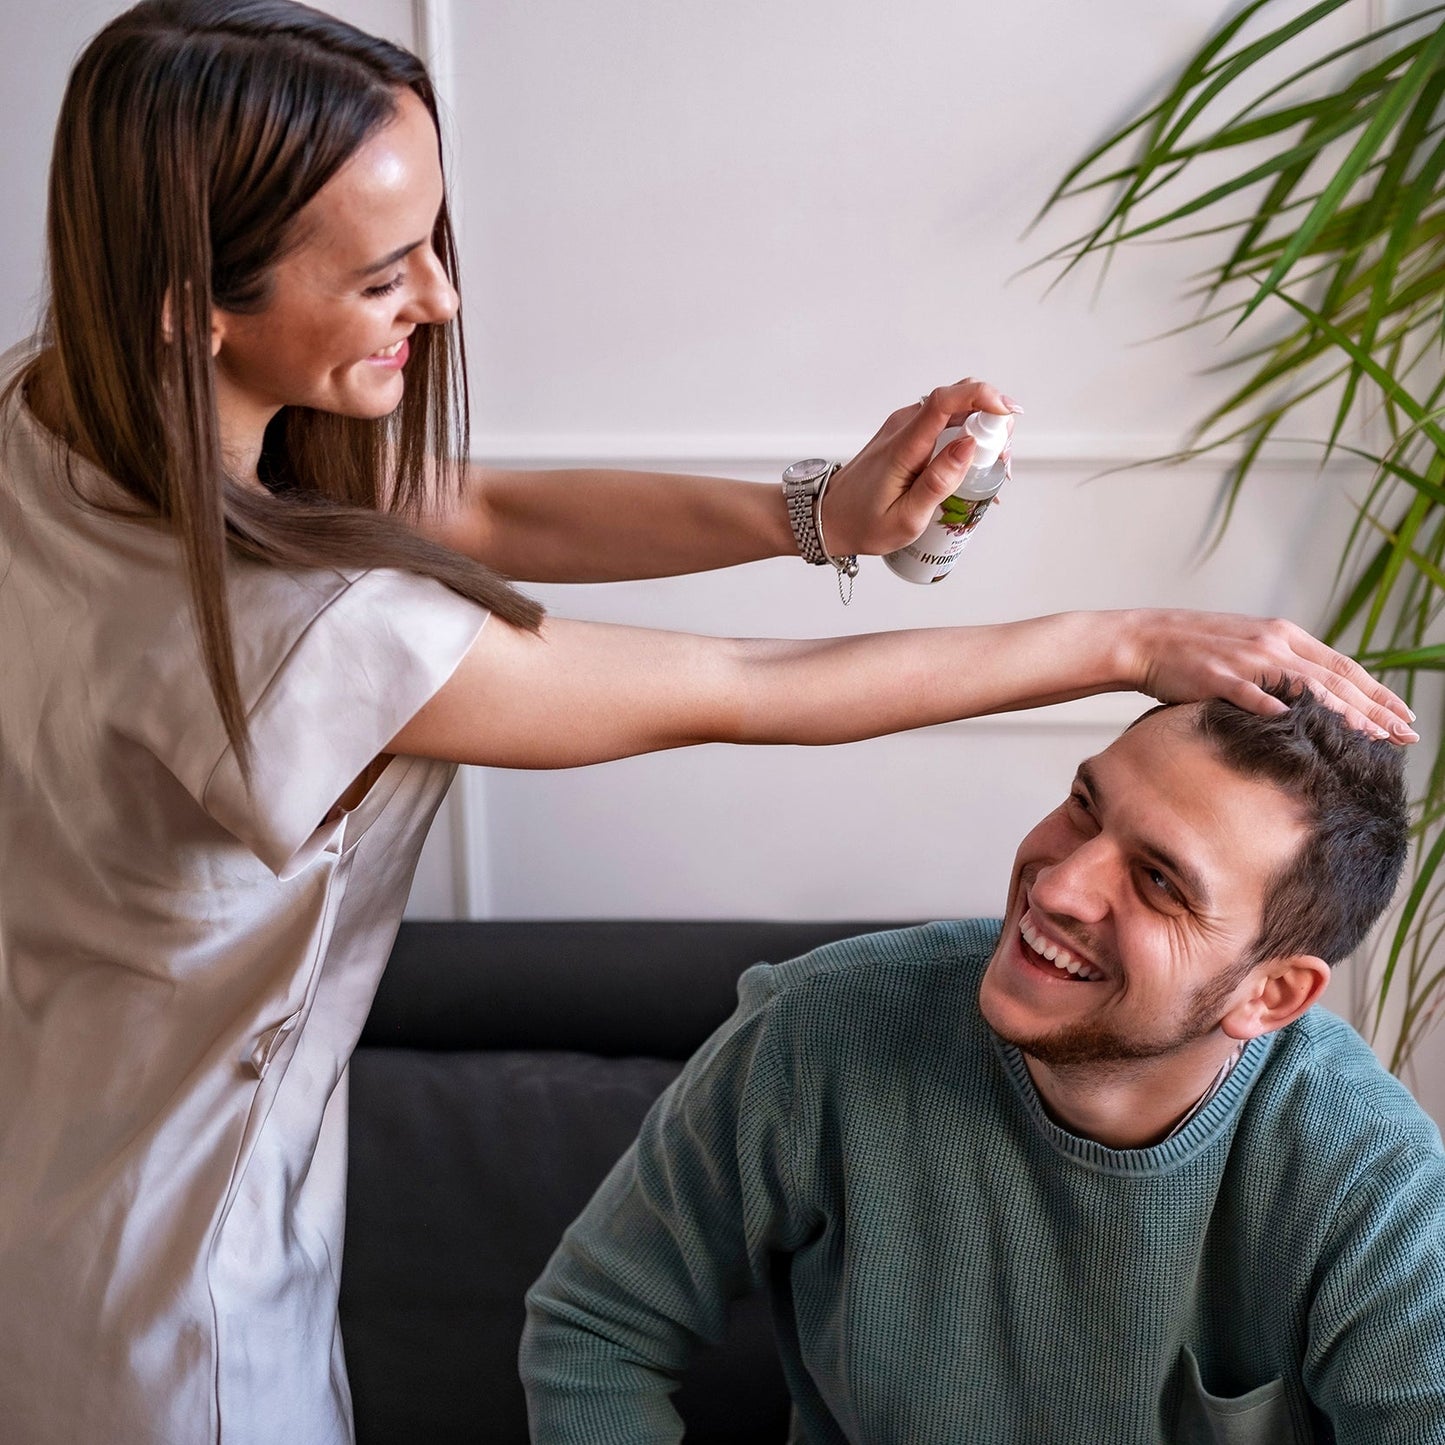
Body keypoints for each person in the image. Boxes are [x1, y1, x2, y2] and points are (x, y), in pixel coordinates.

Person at [0, 2, 1419, 1443]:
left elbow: (464, 505)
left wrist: (817, 517)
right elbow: (749, 692)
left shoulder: (54, 427)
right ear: (195, 305)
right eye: (383, 276)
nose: (438, 299)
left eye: (437, 238)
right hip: (176, 1288)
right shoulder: (293, 641)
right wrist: (1124, 635)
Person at [520, 683, 1445, 1444]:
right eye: (1086, 804)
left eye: (1159, 881)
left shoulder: (1372, 1180)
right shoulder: (817, 1029)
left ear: (1271, 995)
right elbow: (597, 1326)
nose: (1057, 883)